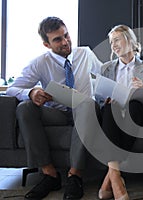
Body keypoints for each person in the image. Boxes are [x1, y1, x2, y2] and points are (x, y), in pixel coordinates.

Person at [6, 16, 103, 200]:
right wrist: (32, 92)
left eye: (66, 35)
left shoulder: (85, 54)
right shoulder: (40, 62)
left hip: (84, 111)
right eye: (58, 39)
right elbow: (12, 88)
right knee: (25, 108)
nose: (65, 42)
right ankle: (50, 174)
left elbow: (107, 75)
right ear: (46, 44)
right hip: (56, 112)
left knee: (87, 103)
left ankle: (75, 176)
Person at [96, 24, 143, 200]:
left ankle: (111, 178)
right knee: (109, 107)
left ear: (129, 41)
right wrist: (107, 98)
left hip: (136, 114)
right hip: (113, 115)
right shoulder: (106, 68)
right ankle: (115, 180)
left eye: (116, 40)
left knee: (134, 103)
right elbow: (99, 97)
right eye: (110, 42)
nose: (113, 45)